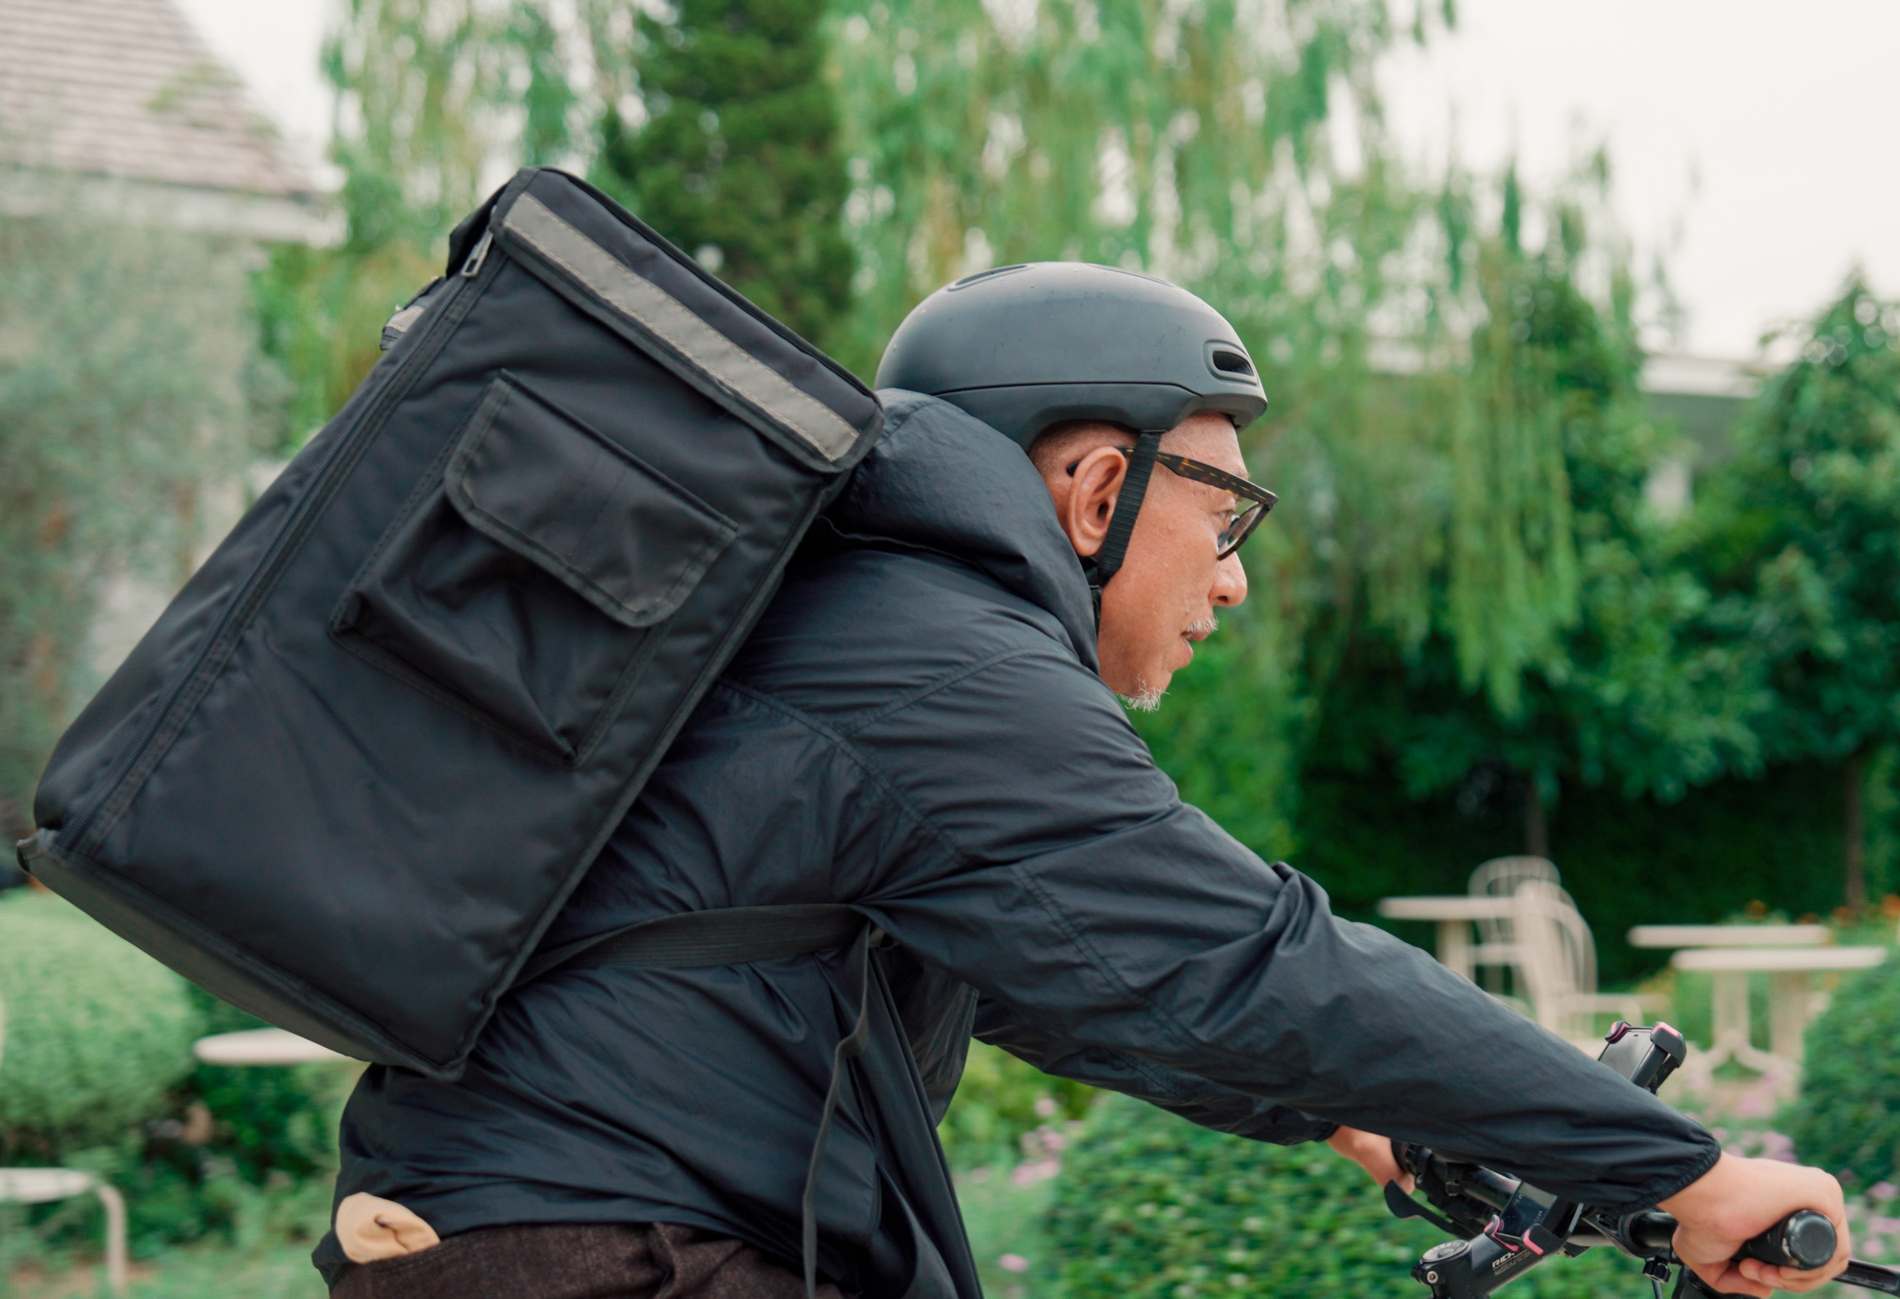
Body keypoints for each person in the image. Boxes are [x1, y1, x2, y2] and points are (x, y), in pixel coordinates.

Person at [315, 262, 1849, 1299]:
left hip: (548, 1237)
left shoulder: (869, 621)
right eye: (1226, 510)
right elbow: (1247, 956)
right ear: (1099, 483)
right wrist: (1687, 1167)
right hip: (607, 1255)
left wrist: (1366, 1124)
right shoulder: (934, 658)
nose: (1234, 580)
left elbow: (1067, 982)